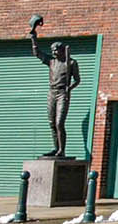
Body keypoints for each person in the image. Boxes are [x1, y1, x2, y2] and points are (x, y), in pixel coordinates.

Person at [30, 18, 82, 158]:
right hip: (52, 93)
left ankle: (62, 150)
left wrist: (69, 88)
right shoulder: (51, 61)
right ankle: (56, 148)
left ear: (62, 50)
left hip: (63, 93)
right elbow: (37, 53)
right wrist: (33, 37)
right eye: (52, 50)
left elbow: (78, 80)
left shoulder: (71, 63)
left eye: (56, 50)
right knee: (52, 122)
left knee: (59, 123)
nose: (53, 52)